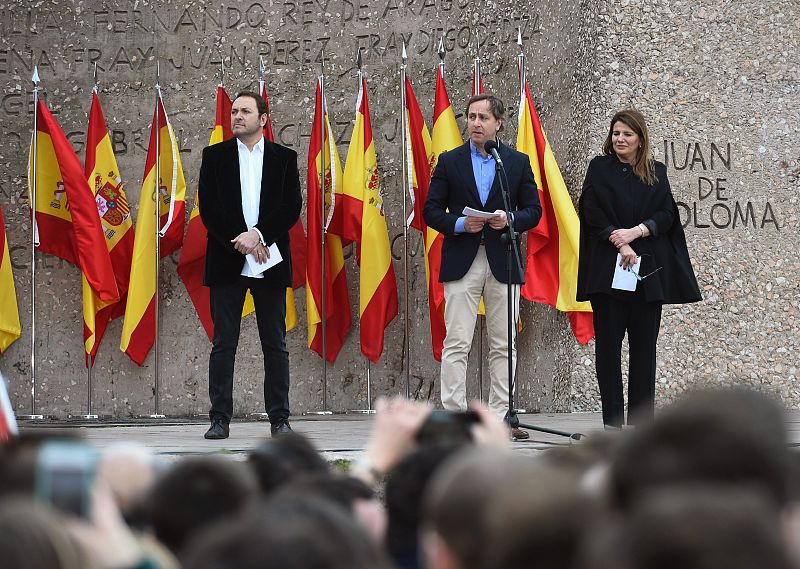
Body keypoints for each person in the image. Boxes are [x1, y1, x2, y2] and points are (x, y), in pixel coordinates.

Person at [422, 94, 541, 440]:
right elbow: (431, 210)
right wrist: (460, 223)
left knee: (504, 344)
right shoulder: (450, 161)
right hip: (463, 259)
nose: (475, 123)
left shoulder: (515, 162)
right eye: (471, 117)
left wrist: (510, 219)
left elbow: (533, 211)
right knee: (457, 340)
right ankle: (453, 420)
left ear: (498, 123)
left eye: (482, 117)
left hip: (503, 258)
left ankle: (501, 417)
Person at [577, 109, 700, 428]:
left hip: (647, 272)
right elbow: (590, 211)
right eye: (616, 133)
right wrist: (620, 241)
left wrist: (638, 231)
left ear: (640, 139)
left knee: (644, 349)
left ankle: (641, 426)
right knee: (608, 347)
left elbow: (667, 214)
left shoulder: (656, 171)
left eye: (627, 134)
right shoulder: (599, 168)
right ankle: (613, 424)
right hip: (609, 268)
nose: (620, 139)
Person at [198, 91, 302, 439]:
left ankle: (280, 420)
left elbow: (290, 207)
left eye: (245, 111)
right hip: (228, 259)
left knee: (275, 343)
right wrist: (241, 241)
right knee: (224, 342)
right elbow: (209, 208)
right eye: (234, 111)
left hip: (268, 260)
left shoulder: (284, 158)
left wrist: (259, 235)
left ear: (263, 119)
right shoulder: (214, 156)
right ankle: (219, 418)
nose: (237, 116)